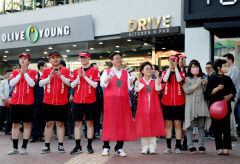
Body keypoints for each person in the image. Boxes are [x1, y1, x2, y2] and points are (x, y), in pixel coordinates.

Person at [100, 52, 137, 157]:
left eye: (120, 58)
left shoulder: (126, 73)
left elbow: (130, 88)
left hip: (123, 102)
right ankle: (106, 147)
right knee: (109, 123)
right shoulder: (107, 72)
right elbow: (103, 84)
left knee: (122, 124)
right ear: (111, 61)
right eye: (116, 59)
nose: (119, 60)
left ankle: (119, 148)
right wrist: (109, 77)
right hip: (110, 103)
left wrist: (131, 81)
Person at [39, 50, 71, 154]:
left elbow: (70, 83)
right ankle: (46, 146)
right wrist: (49, 77)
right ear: (50, 59)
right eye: (53, 57)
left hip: (62, 102)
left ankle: (60, 145)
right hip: (48, 101)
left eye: (57, 57)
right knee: (49, 123)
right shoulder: (46, 71)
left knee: (60, 124)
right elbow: (40, 84)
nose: (56, 59)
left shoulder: (65, 70)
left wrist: (61, 75)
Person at [70, 52, 100, 154]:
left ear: (88, 58)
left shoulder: (94, 71)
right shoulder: (75, 71)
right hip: (77, 101)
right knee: (77, 124)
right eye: (81, 58)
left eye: (84, 57)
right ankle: (78, 146)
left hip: (90, 101)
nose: (83, 59)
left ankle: (89, 146)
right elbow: (72, 85)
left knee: (89, 123)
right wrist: (78, 77)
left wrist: (85, 77)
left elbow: (95, 85)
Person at [8, 53, 37, 155]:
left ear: (29, 62)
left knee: (27, 124)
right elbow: (12, 83)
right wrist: (20, 73)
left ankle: (24, 147)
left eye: (25, 59)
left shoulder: (33, 72)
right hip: (15, 102)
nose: (23, 61)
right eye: (21, 59)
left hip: (28, 103)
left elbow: (32, 84)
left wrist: (25, 73)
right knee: (15, 124)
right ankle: (15, 147)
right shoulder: (15, 72)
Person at [206, 59, 236, 155]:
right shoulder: (212, 79)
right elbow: (207, 94)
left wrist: (229, 96)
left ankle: (226, 147)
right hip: (215, 107)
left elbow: (233, 91)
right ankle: (219, 148)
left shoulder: (228, 79)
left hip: (226, 106)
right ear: (218, 67)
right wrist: (217, 88)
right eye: (225, 65)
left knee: (226, 127)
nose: (226, 67)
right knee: (217, 128)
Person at [134, 62, 165, 154]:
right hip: (142, 108)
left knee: (153, 126)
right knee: (144, 127)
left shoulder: (154, 81)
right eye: (147, 68)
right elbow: (137, 89)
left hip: (154, 108)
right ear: (142, 71)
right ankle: (144, 147)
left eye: (150, 68)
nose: (149, 70)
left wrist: (158, 77)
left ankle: (152, 147)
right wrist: (139, 80)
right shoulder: (139, 81)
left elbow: (158, 88)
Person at [183, 60, 211, 154]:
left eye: (197, 67)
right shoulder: (186, 79)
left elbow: (206, 93)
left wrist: (204, 85)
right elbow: (187, 91)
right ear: (190, 69)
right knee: (189, 127)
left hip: (201, 105)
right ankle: (190, 145)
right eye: (193, 67)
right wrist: (196, 85)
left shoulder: (203, 79)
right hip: (190, 105)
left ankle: (201, 145)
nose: (195, 69)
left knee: (201, 126)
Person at [161, 55, 186, 154]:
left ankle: (178, 146)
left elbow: (180, 80)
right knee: (168, 126)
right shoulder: (164, 72)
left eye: (174, 61)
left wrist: (176, 68)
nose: (172, 62)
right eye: (170, 61)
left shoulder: (181, 72)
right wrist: (169, 69)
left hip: (179, 103)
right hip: (166, 103)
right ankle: (168, 147)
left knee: (177, 125)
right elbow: (164, 80)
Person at [223, 53, 240, 141]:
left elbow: (232, 82)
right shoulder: (227, 69)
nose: (224, 62)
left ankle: (233, 133)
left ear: (230, 60)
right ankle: (230, 133)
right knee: (229, 113)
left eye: (225, 60)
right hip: (226, 95)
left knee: (230, 113)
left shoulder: (235, 69)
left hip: (233, 95)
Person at [30, 61, 47, 143]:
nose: (46, 68)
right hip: (37, 99)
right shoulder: (36, 75)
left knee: (43, 118)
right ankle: (33, 135)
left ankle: (40, 134)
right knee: (35, 118)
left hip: (46, 100)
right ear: (41, 67)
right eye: (45, 66)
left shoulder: (47, 75)